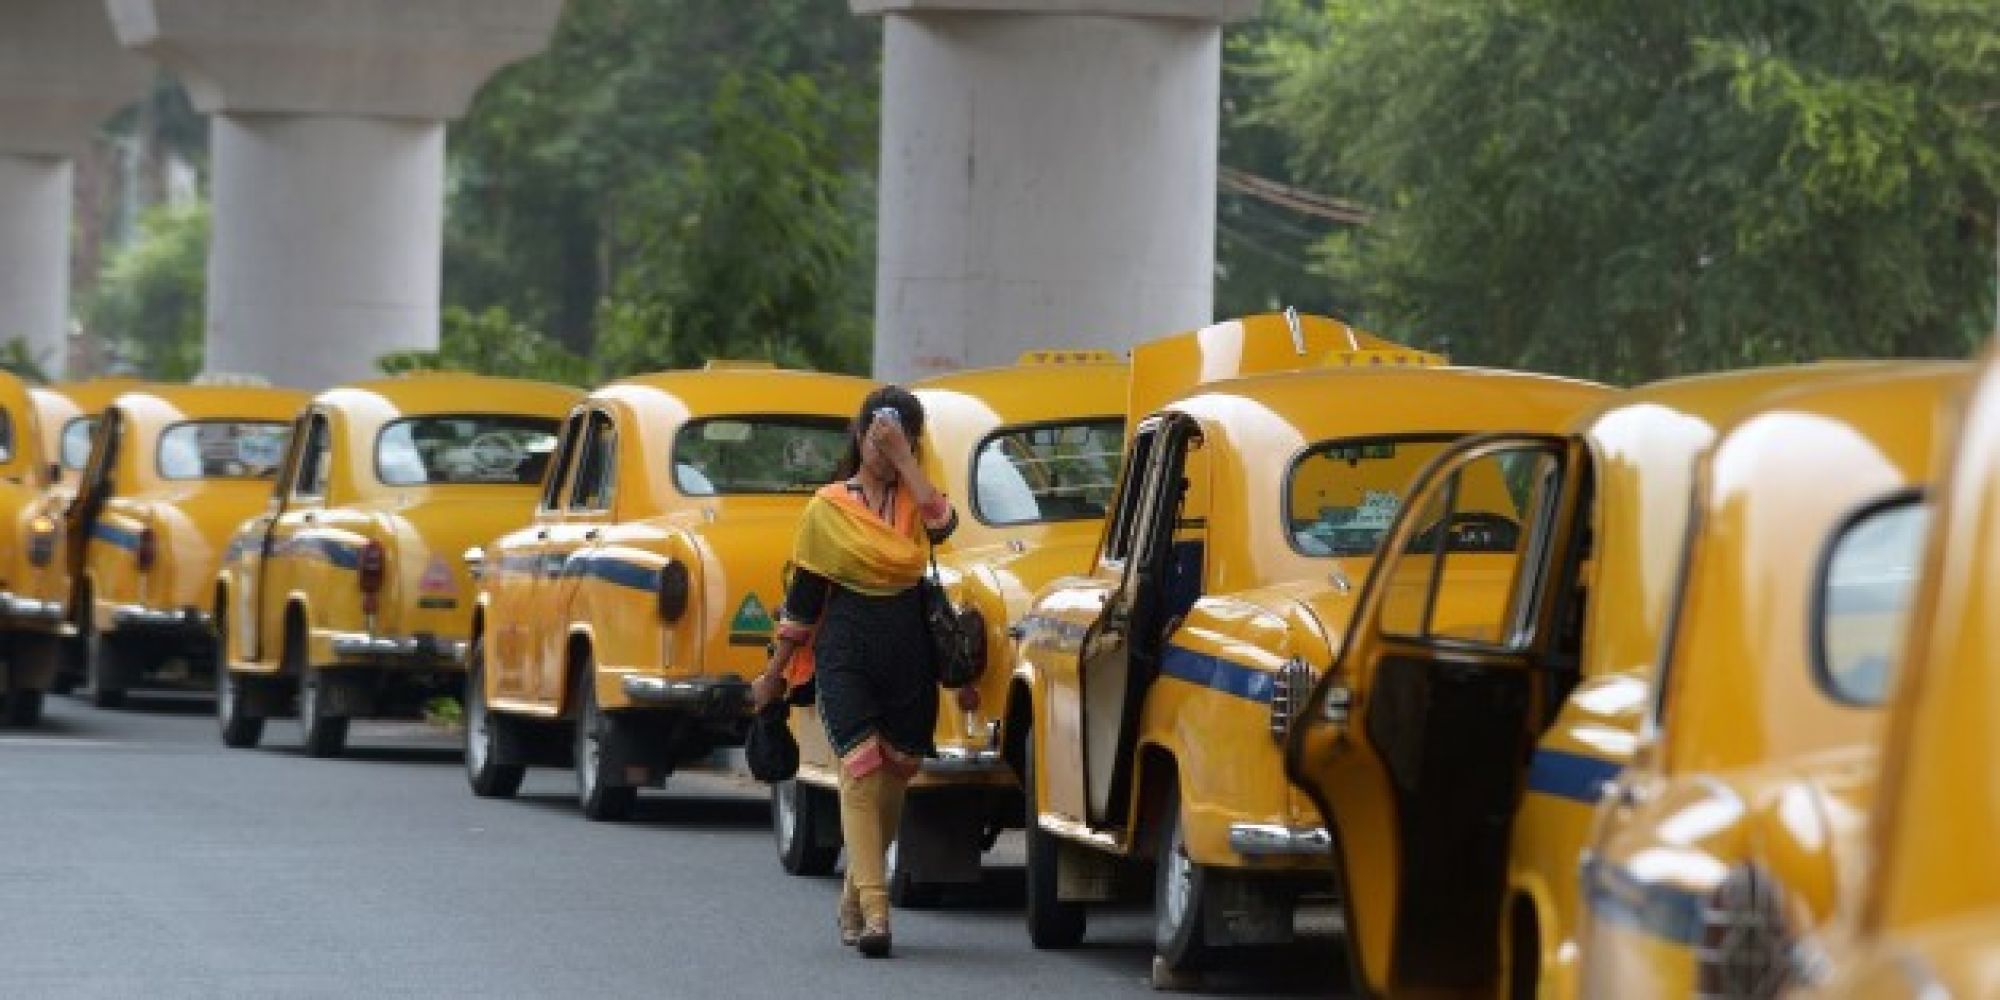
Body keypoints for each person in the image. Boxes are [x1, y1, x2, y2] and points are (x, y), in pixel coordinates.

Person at [750, 386, 977, 958]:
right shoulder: (827, 508)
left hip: (908, 647)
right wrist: (775, 672)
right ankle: (878, 912)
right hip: (846, 646)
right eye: (877, 438)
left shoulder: (916, 500)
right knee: (861, 770)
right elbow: (804, 599)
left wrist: (904, 460)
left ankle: (854, 897)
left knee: (895, 778)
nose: (883, 449)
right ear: (859, 435)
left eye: (898, 439)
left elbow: (944, 525)